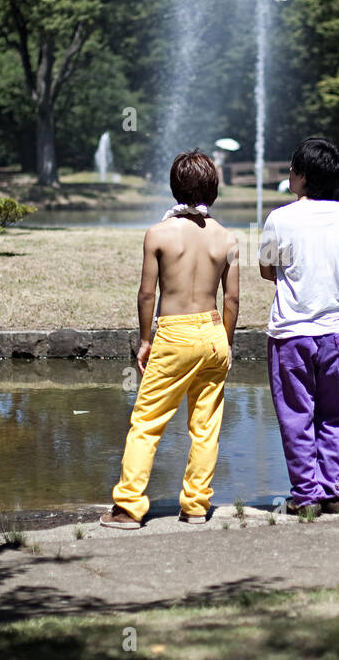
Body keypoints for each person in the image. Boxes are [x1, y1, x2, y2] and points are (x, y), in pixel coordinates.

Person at [100, 150, 239, 529]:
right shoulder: (227, 238)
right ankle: (195, 506)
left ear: (174, 187)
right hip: (213, 332)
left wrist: (145, 339)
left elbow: (147, 294)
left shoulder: (158, 234)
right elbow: (232, 299)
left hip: (174, 331)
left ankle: (129, 506)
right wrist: (224, 341)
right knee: (206, 425)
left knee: (147, 422)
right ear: (213, 190)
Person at [259, 138, 339, 515]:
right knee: (332, 415)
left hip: (292, 332)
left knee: (296, 416)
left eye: (291, 168)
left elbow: (268, 269)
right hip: (334, 330)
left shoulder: (279, 218)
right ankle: (334, 490)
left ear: (301, 176)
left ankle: (305, 495)